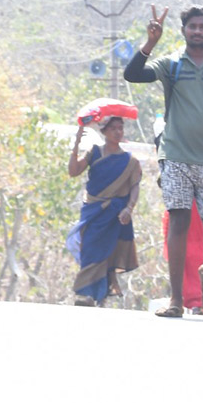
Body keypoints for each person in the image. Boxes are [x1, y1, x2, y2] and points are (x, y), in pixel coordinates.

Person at [124, 5, 203, 318]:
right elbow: (132, 74)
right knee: (177, 221)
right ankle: (176, 299)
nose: (197, 32)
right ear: (184, 31)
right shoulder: (171, 64)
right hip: (176, 156)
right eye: (192, 27)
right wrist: (150, 43)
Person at [67, 116, 142, 306]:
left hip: (115, 214)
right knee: (90, 249)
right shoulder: (94, 153)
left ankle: (92, 295)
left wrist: (129, 208)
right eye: (113, 128)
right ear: (104, 132)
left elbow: (134, 186)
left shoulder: (130, 161)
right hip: (93, 211)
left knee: (108, 252)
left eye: (120, 128)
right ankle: (90, 293)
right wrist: (76, 144)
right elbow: (74, 171)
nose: (118, 132)